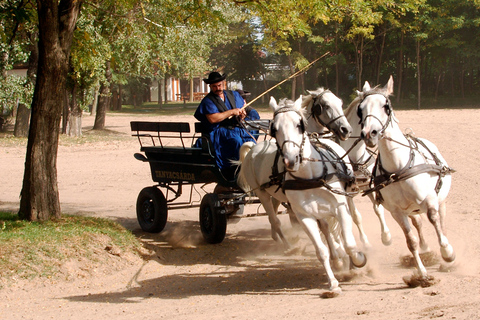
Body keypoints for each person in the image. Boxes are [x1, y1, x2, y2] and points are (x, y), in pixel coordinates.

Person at [194, 72, 257, 180]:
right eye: (214, 86)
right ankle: (236, 172)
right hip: (220, 131)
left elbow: (242, 111)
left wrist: (242, 115)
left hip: (237, 128)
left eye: (219, 85)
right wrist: (232, 112)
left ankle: (252, 168)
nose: (217, 88)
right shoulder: (208, 101)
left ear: (223, 84)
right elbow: (213, 119)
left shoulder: (234, 95)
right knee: (236, 141)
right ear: (210, 86)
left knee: (251, 141)